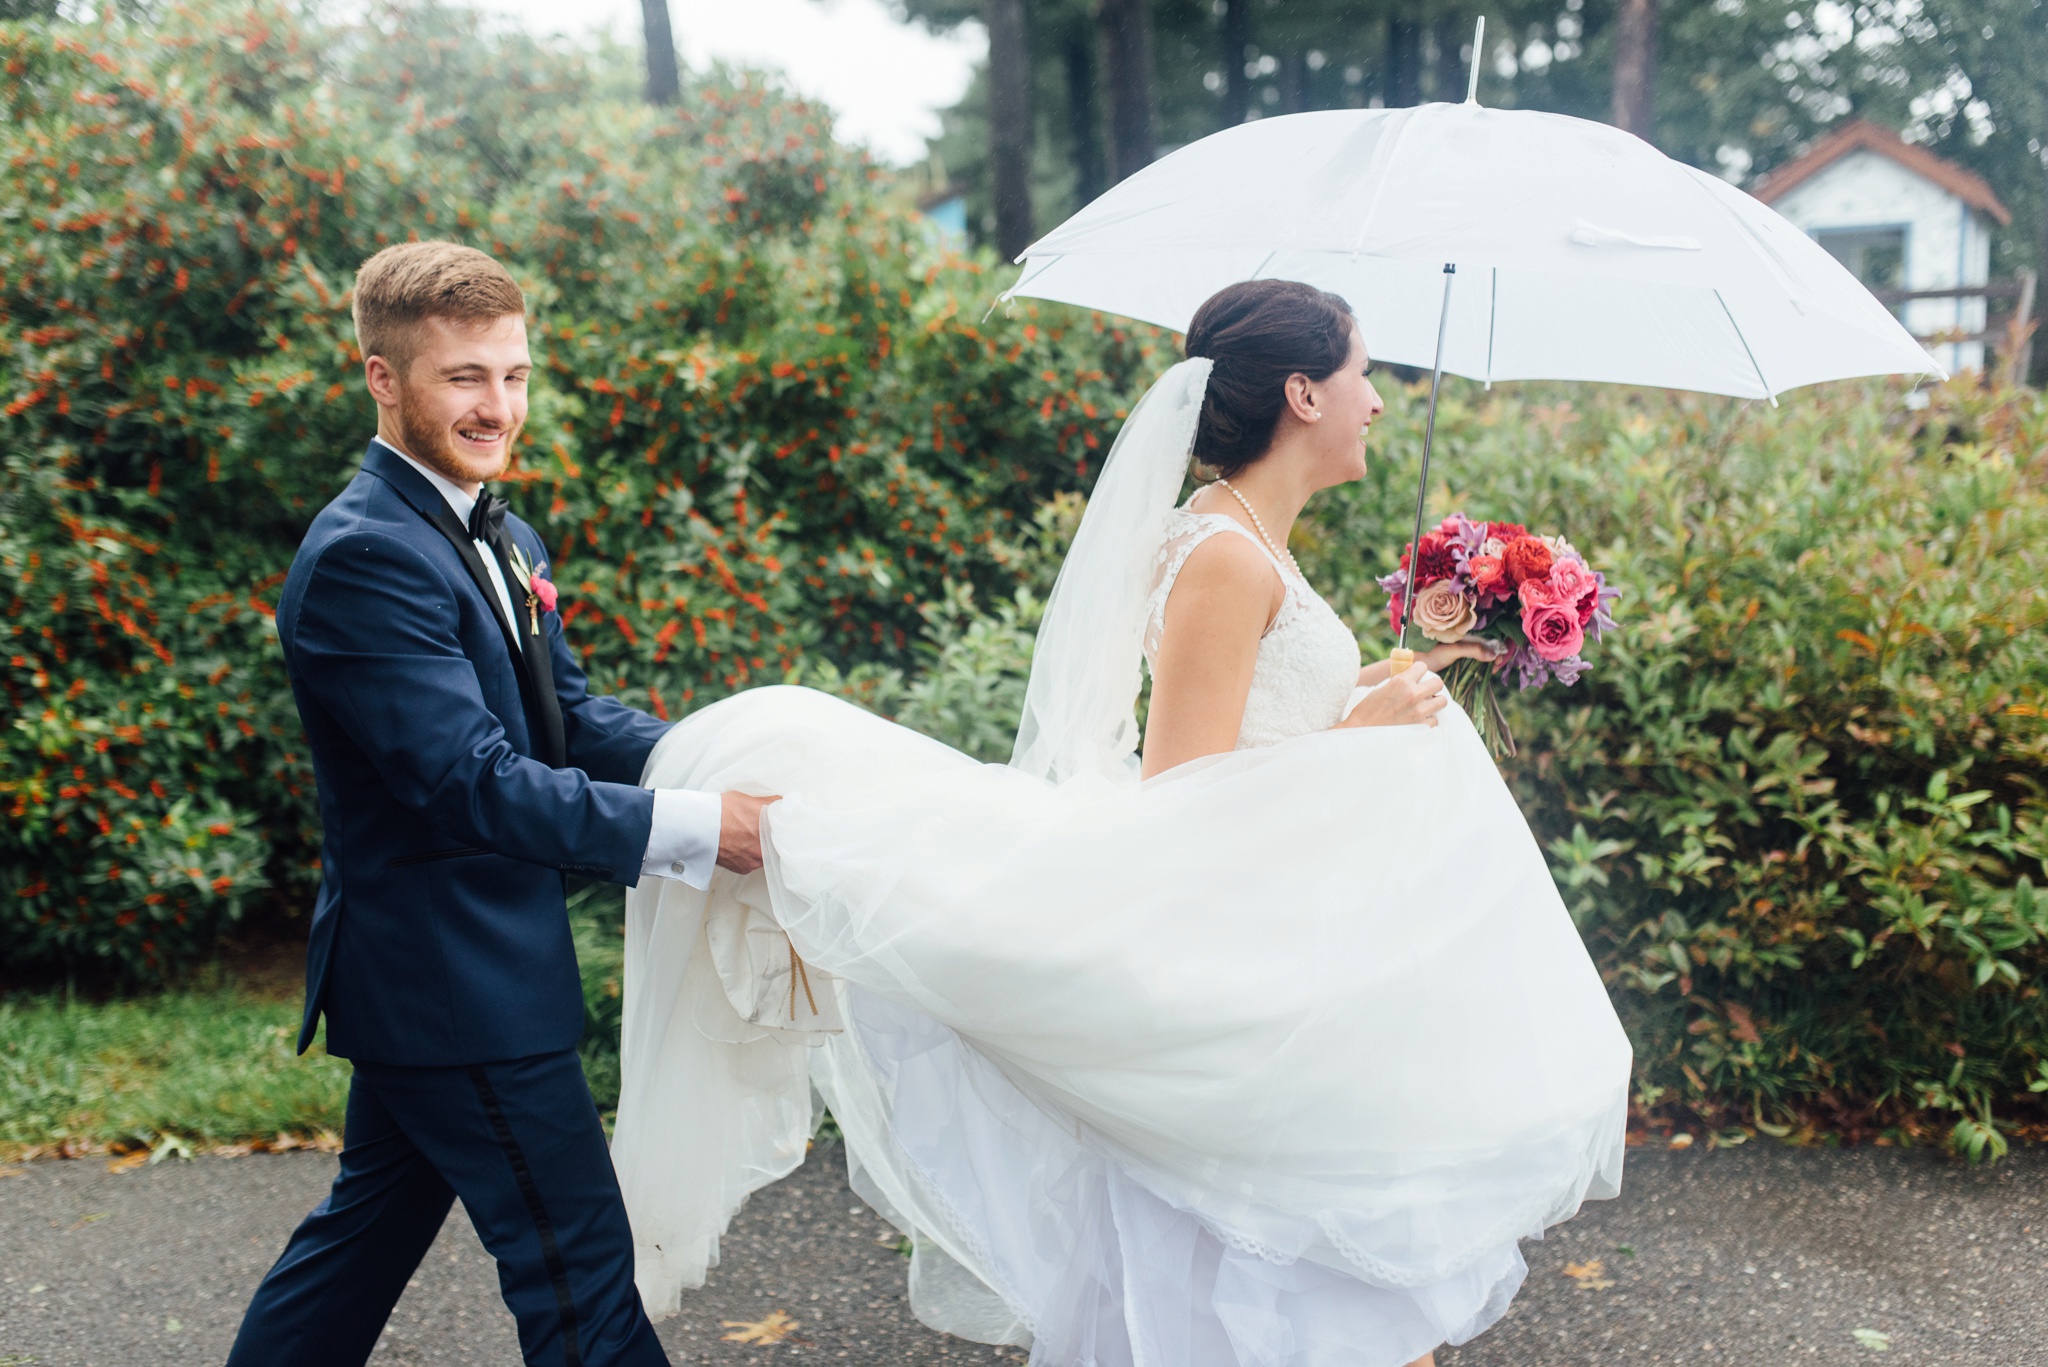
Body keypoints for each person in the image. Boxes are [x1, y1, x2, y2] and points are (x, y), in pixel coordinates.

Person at [612, 278, 1633, 1367]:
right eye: (1361, 375)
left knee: (1323, 1281)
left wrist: (1378, 696)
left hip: (1285, 937)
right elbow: (1184, 796)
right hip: (1227, 955)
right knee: (1260, 1274)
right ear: (1301, 391)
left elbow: (1255, 743)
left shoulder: (1247, 543)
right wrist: (1360, 733)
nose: (1376, 402)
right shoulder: (1222, 555)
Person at [226, 241, 776, 1367]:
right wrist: (696, 832)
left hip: (438, 976)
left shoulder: (499, 531)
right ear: (383, 379)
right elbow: (467, 781)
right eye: (464, 377)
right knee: (579, 1274)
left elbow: (563, 717)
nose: (498, 405)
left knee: (358, 1244)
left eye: (514, 374)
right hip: (451, 979)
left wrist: (715, 759)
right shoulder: (364, 556)